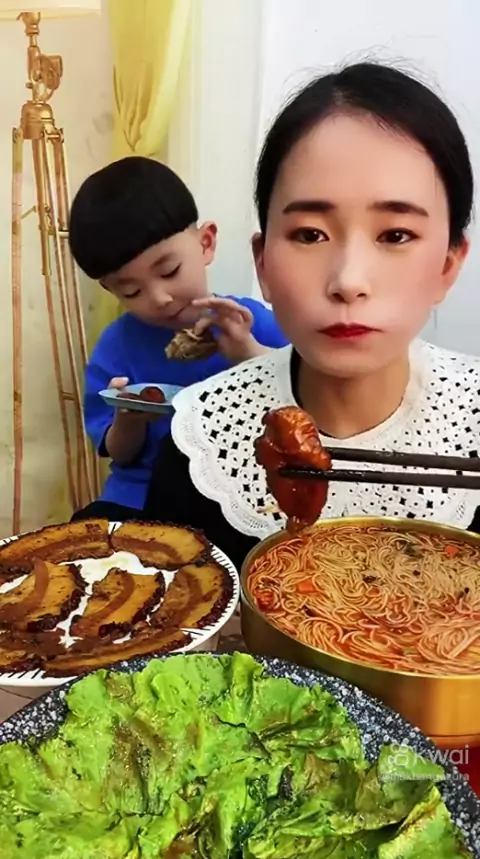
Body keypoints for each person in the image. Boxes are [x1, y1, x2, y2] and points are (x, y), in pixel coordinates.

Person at [145, 62, 480, 572]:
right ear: (263, 264)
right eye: (309, 234)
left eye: (395, 235)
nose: (348, 280)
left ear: (448, 265)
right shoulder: (201, 443)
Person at [68, 156, 287, 520]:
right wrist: (128, 420)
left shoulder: (248, 323)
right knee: (87, 532)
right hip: (137, 498)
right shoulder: (116, 346)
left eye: (169, 271)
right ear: (110, 289)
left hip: (235, 494)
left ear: (206, 243)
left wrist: (248, 353)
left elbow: (305, 400)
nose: (159, 298)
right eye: (132, 291)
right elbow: (119, 453)